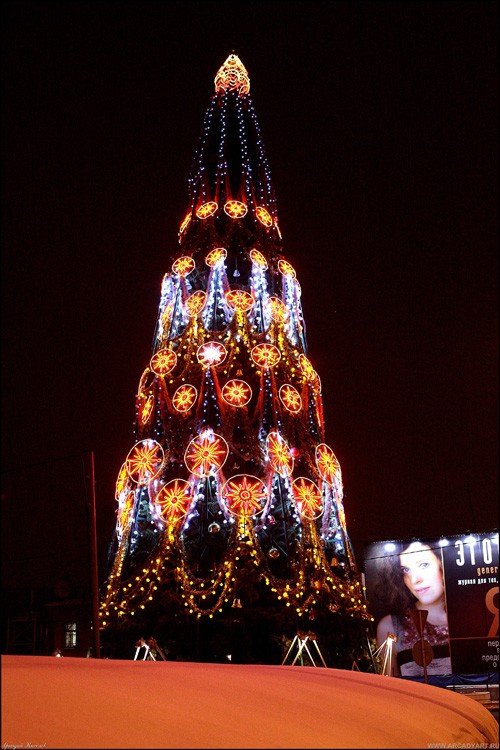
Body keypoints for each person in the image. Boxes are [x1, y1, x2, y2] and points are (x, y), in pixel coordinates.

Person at [375, 541, 451, 677]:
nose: (415, 579)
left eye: (424, 565)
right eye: (406, 570)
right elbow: (388, 687)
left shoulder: (472, 617)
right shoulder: (392, 626)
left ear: (443, 563)